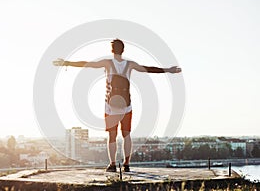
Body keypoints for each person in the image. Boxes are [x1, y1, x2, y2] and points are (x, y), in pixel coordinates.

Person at [53, 39, 181, 172]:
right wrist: (168, 70)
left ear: (112, 50)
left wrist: (67, 63)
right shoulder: (130, 65)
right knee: (127, 135)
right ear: (123, 50)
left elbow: (87, 64)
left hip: (110, 107)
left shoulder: (107, 63)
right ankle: (126, 164)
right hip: (127, 106)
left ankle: (112, 164)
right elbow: (148, 69)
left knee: (112, 136)